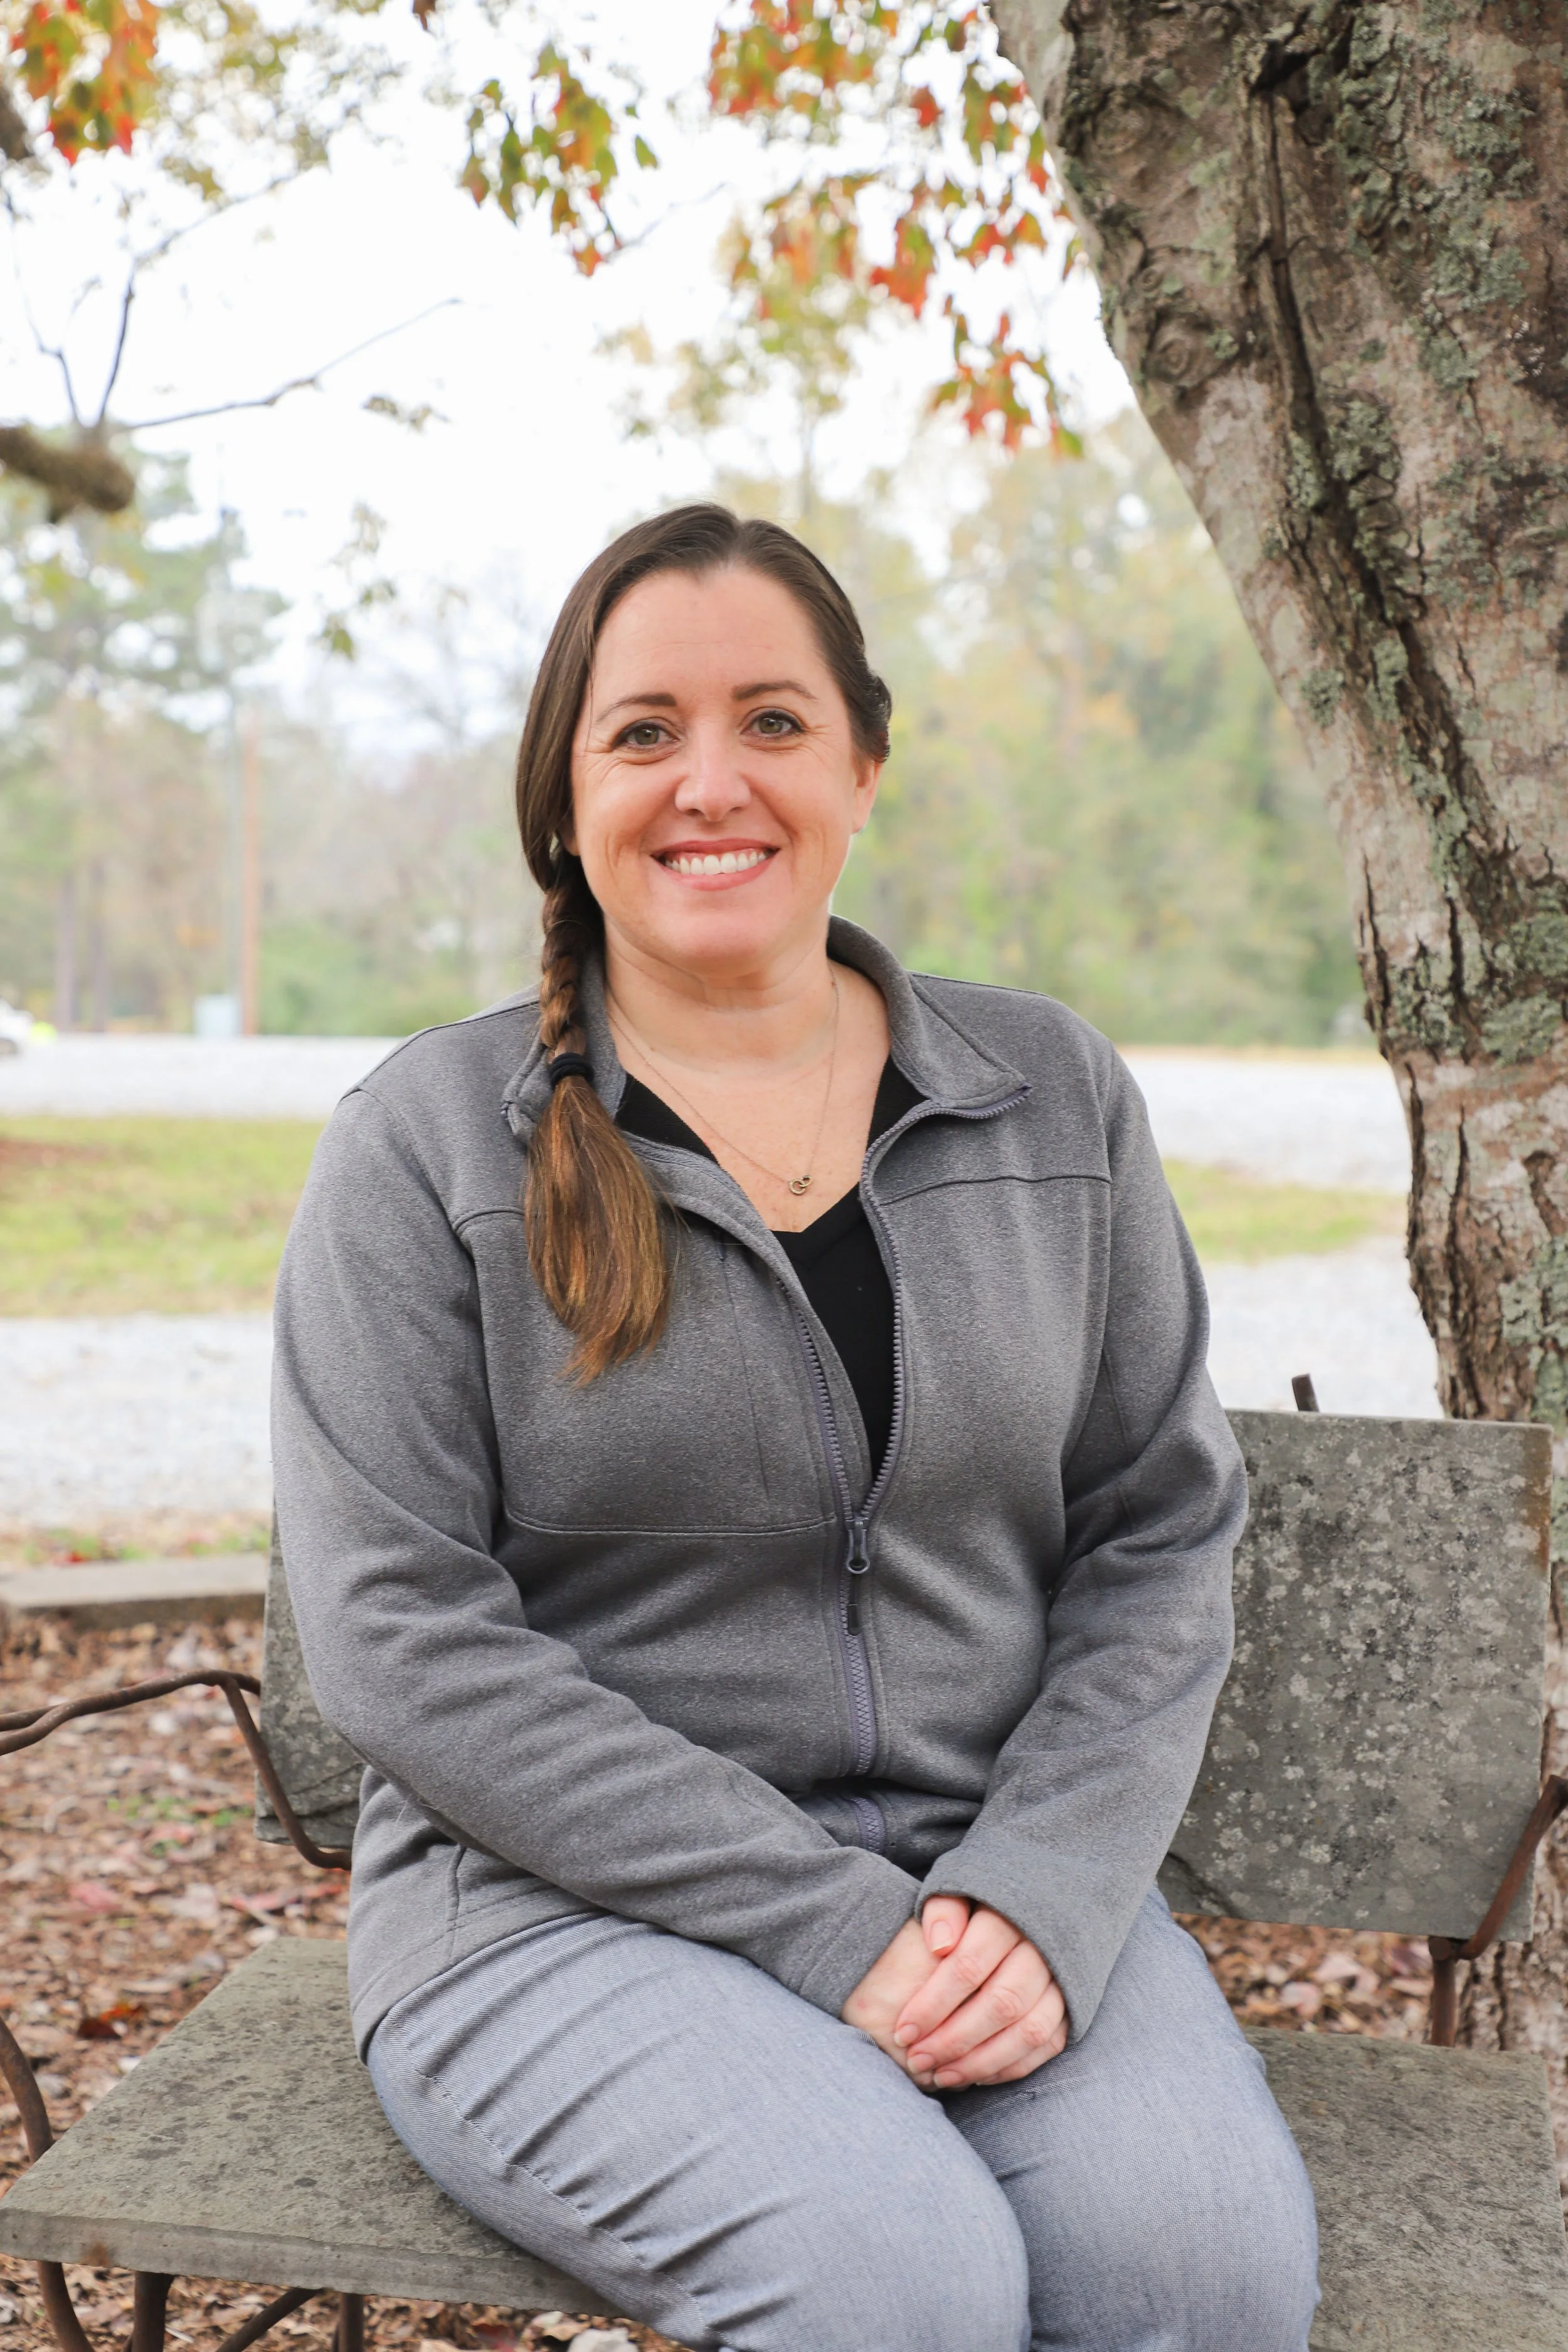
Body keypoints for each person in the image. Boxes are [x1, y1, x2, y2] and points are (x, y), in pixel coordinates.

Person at [272, 504, 1319, 2352]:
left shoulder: (1047, 1095)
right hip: (555, 1916)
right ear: (565, 795)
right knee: (895, 2282)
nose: (709, 782)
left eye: (769, 719)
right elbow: (398, 1635)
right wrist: (831, 1925)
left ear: (860, 761)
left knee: (1201, 2281)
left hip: (993, 1878)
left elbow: (1159, 1530)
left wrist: (1038, 1886)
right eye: (644, 730)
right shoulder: (427, 1145)